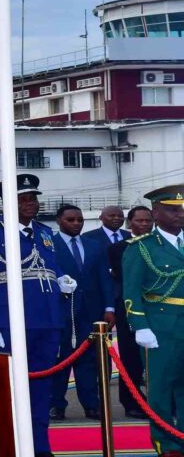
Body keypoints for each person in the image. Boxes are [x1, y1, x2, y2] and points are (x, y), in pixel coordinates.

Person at [0, 174, 75, 457]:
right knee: (8, 388)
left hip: (47, 319)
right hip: (9, 321)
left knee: (42, 386)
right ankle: (10, 446)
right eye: (23, 199)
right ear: (8, 202)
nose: (31, 203)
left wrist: (61, 278)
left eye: (33, 198)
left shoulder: (44, 233)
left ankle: (40, 446)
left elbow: (50, 265)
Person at [122, 185, 184, 457]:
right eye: (173, 210)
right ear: (156, 212)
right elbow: (131, 290)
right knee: (160, 388)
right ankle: (166, 444)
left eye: (182, 210)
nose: (180, 214)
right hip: (161, 326)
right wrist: (140, 326)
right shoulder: (142, 247)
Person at [49, 204, 115, 422]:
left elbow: (105, 278)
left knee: (89, 361)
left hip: (91, 312)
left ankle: (91, 405)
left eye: (80, 220)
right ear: (59, 220)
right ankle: (56, 405)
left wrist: (109, 307)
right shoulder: (49, 245)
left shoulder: (94, 245)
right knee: (61, 359)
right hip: (62, 311)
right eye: (70, 220)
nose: (76, 223)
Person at [107, 205, 152, 420]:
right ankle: (132, 402)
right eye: (139, 220)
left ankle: (164, 402)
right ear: (129, 223)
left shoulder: (161, 245)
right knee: (130, 358)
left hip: (159, 309)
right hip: (130, 309)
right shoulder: (118, 248)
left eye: (148, 221)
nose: (144, 224)